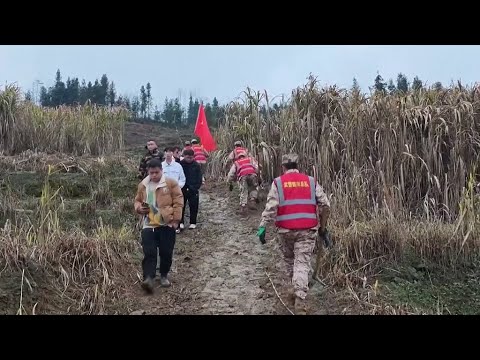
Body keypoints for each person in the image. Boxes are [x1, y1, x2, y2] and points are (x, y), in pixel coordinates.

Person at [256, 153, 330, 315]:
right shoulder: (311, 181)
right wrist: (323, 228)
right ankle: (300, 299)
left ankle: (296, 290)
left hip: (285, 231)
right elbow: (325, 205)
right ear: (298, 166)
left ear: (283, 167)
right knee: (302, 263)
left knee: (290, 261)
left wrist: (263, 226)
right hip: (307, 230)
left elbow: (271, 207)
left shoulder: (278, 183)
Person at [134, 159, 184, 293]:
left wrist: (176, 221)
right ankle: (149, 278)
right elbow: (137, 201)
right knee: (149, 252)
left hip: (166, 224)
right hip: (148, 224)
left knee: (166, 252)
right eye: (151, 173)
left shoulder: (170, 183)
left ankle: (163, 275)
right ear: (148, 172)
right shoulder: (143, 184)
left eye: (156, 172)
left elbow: (178, 202)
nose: (154, 175)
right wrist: (139, 209)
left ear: (161, 170)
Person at [179, 149, 203, 231]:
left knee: (194, 206)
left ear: (193, 157)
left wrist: (195, 187)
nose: (189, 159)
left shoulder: (196, 165)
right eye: (187, 157)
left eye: (191, 157)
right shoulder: (180, 165)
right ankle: (180, 222)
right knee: (181, 206)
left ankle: (193, 222)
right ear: (184, 156)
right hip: (182, 188)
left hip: (193, 189)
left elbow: (199, 178)